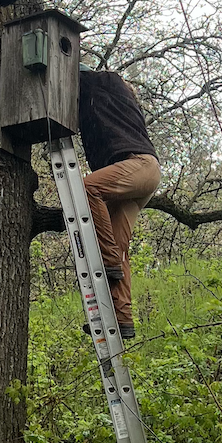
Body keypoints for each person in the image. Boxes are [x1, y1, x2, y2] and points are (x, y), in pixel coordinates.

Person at [77, 66, 161, 339]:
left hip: (139, 165)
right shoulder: (119, 104)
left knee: (88, 187)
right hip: (142, 176)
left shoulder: (108, 83)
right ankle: (122, 317)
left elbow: (88, 75)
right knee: (118, 242)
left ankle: (109, 259)